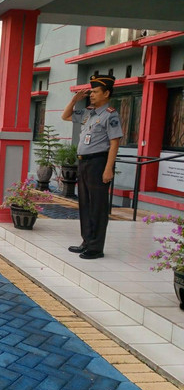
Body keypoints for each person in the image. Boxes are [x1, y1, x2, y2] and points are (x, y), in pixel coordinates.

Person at [61, 74, 122, 260]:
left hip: (98, 163)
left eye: (95, 92)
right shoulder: (89, 113)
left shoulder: (110, 115)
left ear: (106, 93)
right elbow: (65, 116)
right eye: (91, 92)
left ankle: (96, 247)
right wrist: (74, 100)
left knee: (97, 206)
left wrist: (108, 169)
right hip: (84, 162)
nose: (92, 95)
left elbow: (114, 143)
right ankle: (87, 241)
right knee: (85, 204)